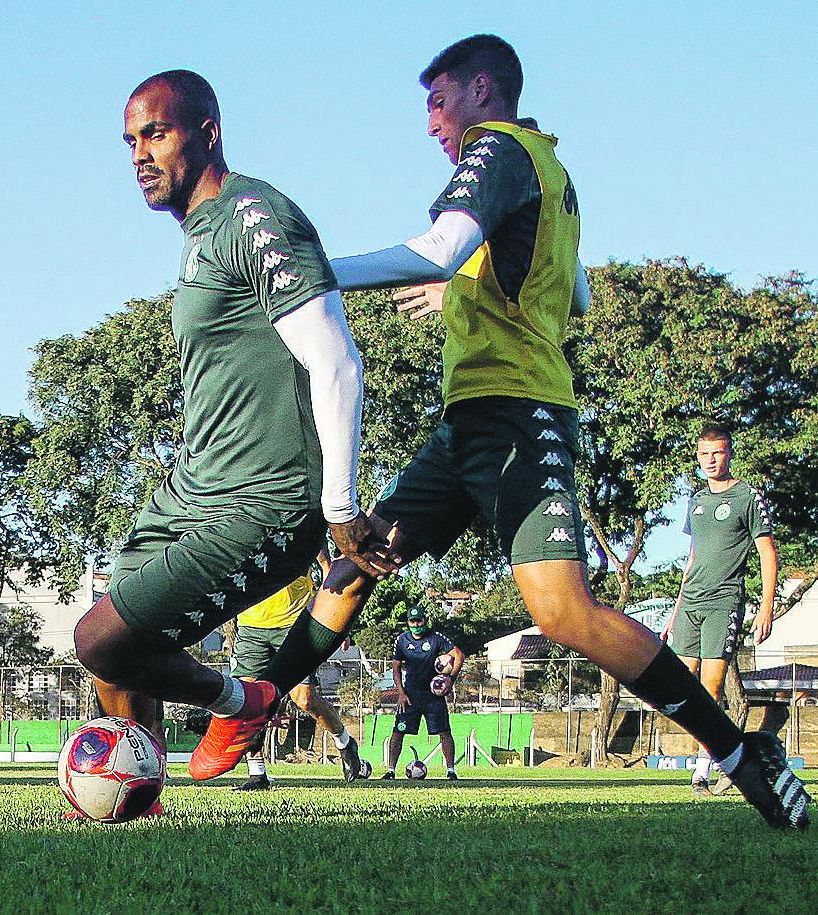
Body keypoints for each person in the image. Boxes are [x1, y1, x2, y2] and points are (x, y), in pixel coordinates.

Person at [236, 35, 809, 829]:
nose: (431, 122)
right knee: (357, 559)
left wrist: (309, 276)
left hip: (519, 414)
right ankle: (250, 714)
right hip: (468, 419)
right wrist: (463, 293)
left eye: (436, 101)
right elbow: (569, 291)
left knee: (562, 613)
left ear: (479, 89)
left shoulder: (496, 148)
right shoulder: (551, 169)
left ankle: (742, 751)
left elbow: (440, 245)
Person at [72, 70, 394, 785]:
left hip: (266, 502)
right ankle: (137, 801)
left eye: (156, 133)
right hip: (189, 494)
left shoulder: (255, 214)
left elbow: (336, 361)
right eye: (129, 141)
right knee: (121, 660)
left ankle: (240, 701)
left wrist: (337, 509)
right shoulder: (200, 235)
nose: (138, 155)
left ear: (207, 132)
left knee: (100, 641)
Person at [662, 424, 779, 796]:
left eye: (718, 453)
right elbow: (692, 557)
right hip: (690, 603)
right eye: (704, 454)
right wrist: (674, 610)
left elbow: (766, 553)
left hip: (723, 601)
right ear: (698, 458)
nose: (711, 460)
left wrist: (766, 608)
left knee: (710, 688)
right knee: (680, 684)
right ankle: (732, 750)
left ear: (729, 454)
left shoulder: (747, 496)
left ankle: (701, 771)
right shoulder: (695, 500)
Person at [231, 552, 371, 789]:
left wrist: (339, 623)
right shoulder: (243, 527)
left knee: (305, 699)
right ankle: (257, 774)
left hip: (294, 624)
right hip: (250, 626)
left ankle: (344, 742)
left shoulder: (302, 528)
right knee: (249, 703)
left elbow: (330, 573)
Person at [382, 606, 463, 780]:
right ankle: (390, 771)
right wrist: (401, 693)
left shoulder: (435, 638)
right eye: (412, 621)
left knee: (444, 732)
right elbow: (396, 667)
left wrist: (451, 680)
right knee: (398, 731)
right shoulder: (402, 640)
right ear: (408, 623)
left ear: (425, 620)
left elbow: (459, 655)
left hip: (434, 696)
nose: (416, 624)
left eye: (419, 620)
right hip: (410, 696)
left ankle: (450, 771)